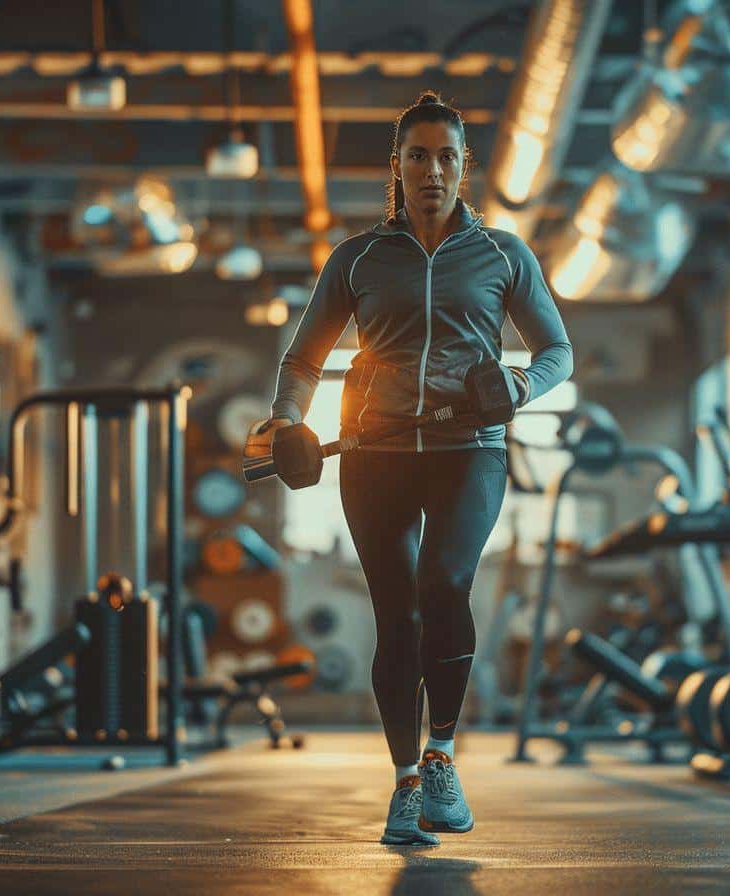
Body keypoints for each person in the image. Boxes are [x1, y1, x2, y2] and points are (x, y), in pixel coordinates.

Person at [245, 92, 573, 847]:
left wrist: (520, 385)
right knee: (397, 618)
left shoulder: (502, 255)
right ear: (397, 165)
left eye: (448, 157)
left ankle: (442, 756)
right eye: (419, 155)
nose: (433, 169)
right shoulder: (357, 258)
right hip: (375, 453)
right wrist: (288, 420)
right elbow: (303, 358)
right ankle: (403, 782)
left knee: (445, 583)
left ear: (464, 170)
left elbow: (558, 351)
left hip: (472, 451)